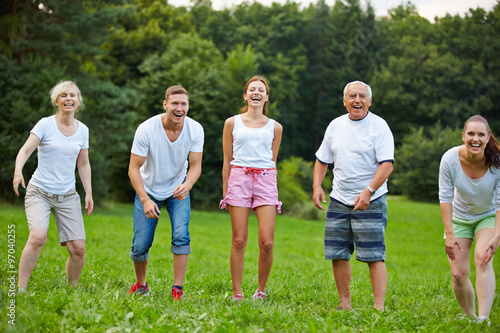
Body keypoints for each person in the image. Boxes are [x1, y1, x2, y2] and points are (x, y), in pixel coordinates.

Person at [312, 81, 394, 311]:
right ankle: (344, 304)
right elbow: (322, 160)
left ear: (370, 101)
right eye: (352, 96)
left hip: (371, 200)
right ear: (344, 100)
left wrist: (369, 191)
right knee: (337, 253)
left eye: (362, 96)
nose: (357, 100)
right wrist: (317, 185)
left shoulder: (379, 126)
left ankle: (378, 307)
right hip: (339, 199)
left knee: (373, 255)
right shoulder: (335, 125)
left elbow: (387, 165)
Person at [13, 81, 93, 291]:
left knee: (78, 248)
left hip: (67, 195)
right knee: (38, 236)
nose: (69, 99)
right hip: (39, 191)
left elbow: (83, 163)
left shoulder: (83, 130)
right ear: (56, 101)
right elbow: (25, 151)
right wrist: (17, 171)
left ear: (78, 101)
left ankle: (71, 290)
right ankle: (20, 289)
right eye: (64, 95)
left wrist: (89, 192)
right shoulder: (45, 124)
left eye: (73, 95)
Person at [128, 85, 203, 300]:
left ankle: (177, 289)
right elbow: (133, 169)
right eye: (175, 103)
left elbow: (196, 165)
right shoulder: (147, 129)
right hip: (148, 189)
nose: (179, 108)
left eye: (184, 104)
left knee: (181, 236)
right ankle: (141, 286)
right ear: (165, 104)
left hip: (178, 189)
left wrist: (187, 184)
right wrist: (144, 199)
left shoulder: (195, 129)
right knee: (140, 245)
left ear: (188, 106)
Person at [220, 75, 283, 301]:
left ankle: (261, 290)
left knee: (267, 242)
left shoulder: (276, 127)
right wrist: (226, 191)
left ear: (267, 97)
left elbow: (273, 160)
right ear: (245, 95)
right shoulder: (232, 123)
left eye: (261, 90)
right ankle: (237, 293)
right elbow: (227, 160)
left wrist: (266, 179)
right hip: (239, 179)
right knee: (239, 240)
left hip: (265, 179)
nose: (256, 92)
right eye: (252, 89)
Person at [438, 115, 500, 324]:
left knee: (483, 259)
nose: (476, 139)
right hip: (460, 217)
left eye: (481, 134)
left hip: (488, 216)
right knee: (458, 274)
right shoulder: (450, 159)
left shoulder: (497, 161)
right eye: (471, 134)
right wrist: (449, 234)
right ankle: (470, 317)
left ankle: (484, 318)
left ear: (488, 137)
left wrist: (497, 236)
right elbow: (445, 197)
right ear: (463, 136)